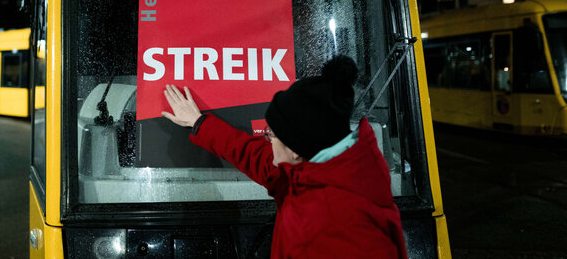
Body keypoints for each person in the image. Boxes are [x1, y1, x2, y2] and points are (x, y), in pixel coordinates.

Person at [161, 55, 407, 258]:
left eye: (271, 135)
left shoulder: (337, 228)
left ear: (296, 149)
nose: (267, 143)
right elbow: (255, 157)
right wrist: (199, 123)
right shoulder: (327, 168)